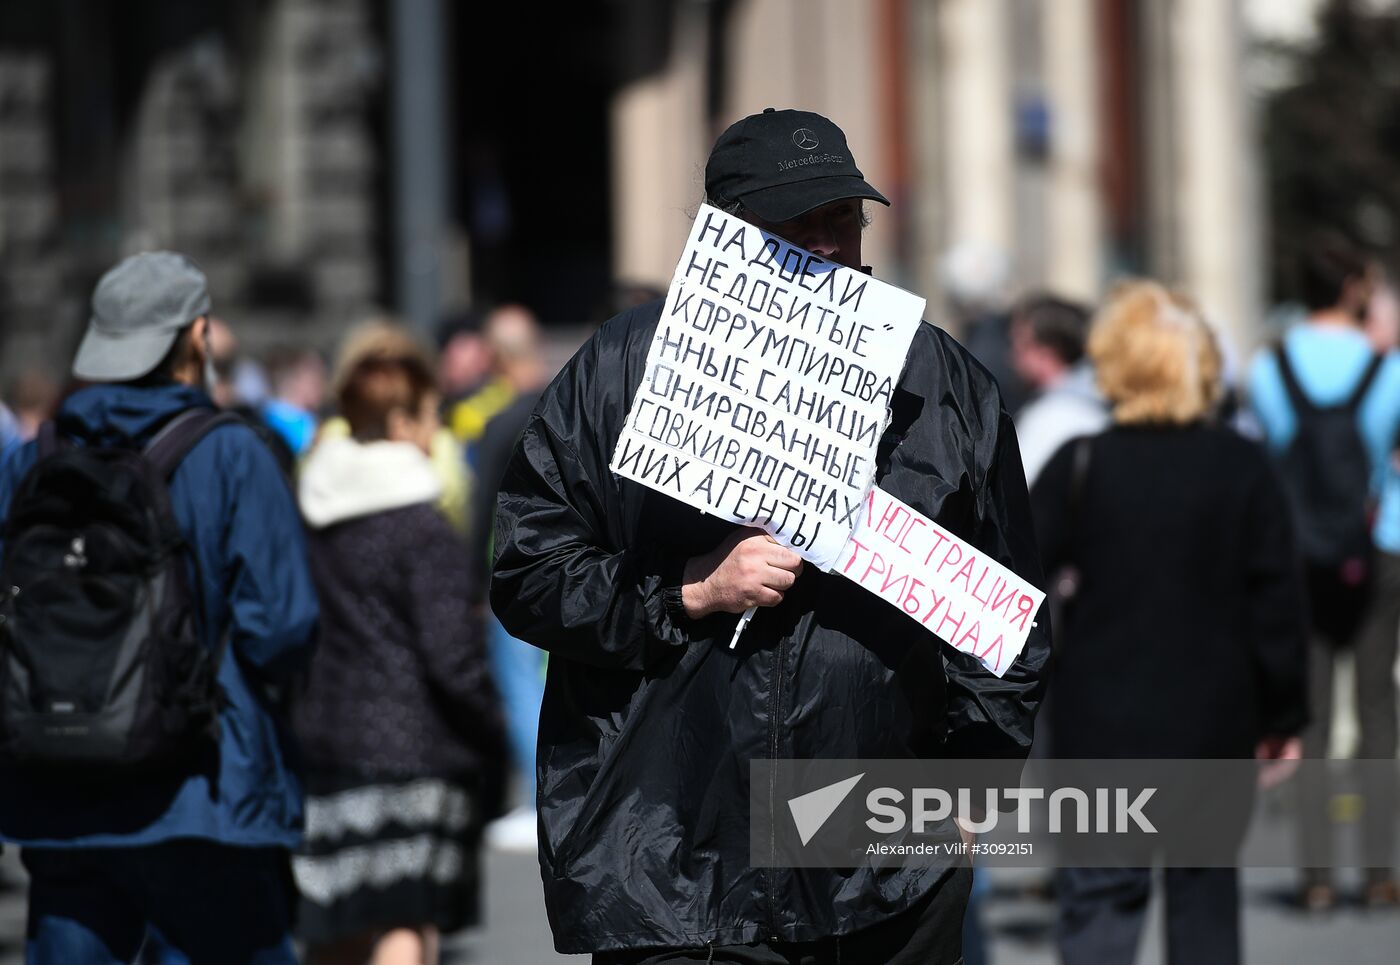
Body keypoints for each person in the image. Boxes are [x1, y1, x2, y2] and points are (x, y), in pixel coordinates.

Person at [491, 107, 1050, 963]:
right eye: (797, 224)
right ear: (728, 236)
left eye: (842, 220)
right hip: (670, 861)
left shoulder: (944, 386)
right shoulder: (618, 372)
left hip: (884, 870)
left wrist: (967, 794)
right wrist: (688, 589)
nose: (827, 245)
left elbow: (1009, 616)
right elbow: (527, 570)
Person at [0, 251, 319, 964]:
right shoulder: (232, 453)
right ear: (196, 337)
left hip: (58, 789)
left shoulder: (33, 458)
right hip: (203, 789)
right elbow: (283, 624)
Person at [1032, 281, 1308, 965]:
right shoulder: (1242, 467)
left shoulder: (1080, 464)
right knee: (1205, 903)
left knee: (1097, 906)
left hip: (1099, 729)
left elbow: (1015, 587)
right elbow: (1277, 604)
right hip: (1214, 726)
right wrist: (1284, 716)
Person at [292, 338, 505, 965]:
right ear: (403, 421)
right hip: (416, 745)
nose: (434, 429)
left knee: (334, 918)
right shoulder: (421, 525)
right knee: (404, 919)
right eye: (430, 414)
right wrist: (489, 724)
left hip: (328, 736)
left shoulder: (316, 514)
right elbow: (450, 652)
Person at [1247, 235, 1400, 909]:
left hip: (1295, 551)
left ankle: (1312, 878)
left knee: (1306, 714)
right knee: (1376, 708)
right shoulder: (1388, 369)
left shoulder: (1266, 368)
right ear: (1352, 290)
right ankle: (1377, 871)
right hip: (1378, 545)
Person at [468, 306, 551, 852]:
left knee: (520, 682)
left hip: (515, 572)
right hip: (569, 563)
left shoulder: (499, 421)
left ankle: (538, 795)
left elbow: (481, 510)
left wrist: (474, 580)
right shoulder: (565, 402)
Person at [1008, 294, 1108, 485]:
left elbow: (1020, 491)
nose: (1011, 356)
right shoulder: (1098, 404)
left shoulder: (1050, 418)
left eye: (1019, 344)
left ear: (1047, 352)